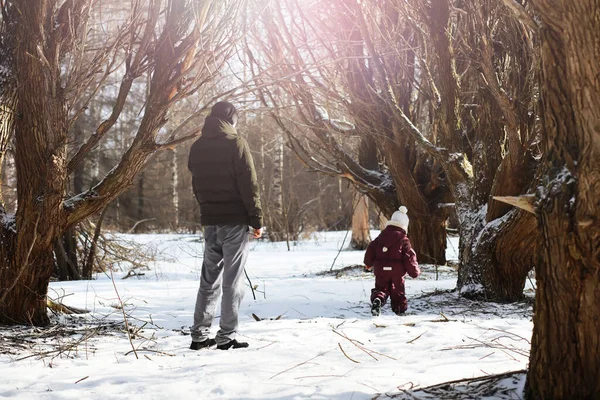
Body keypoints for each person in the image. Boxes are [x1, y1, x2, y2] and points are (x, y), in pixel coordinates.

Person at [187, 101, 263, 350]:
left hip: (210, 221)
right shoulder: (236, 143)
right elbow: (249, 184)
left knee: (209, 279)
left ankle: (199, 336)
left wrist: (207, 209)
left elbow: (196, 185)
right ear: (231, 119)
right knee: (233, 281)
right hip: (234, 221)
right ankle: (226, 336)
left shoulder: (197, 146)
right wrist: (256, 219)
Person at [364, 206, 420, 316]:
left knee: (381, 288)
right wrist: (414, 271)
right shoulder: (404, 240)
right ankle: (400, 310)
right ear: (404, 226)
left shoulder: (380, 237)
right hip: (397, 273)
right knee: (398, 292)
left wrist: (368, 263)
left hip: (381, 271)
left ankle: (378, 300)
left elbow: (371, 249)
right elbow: (409, 256)